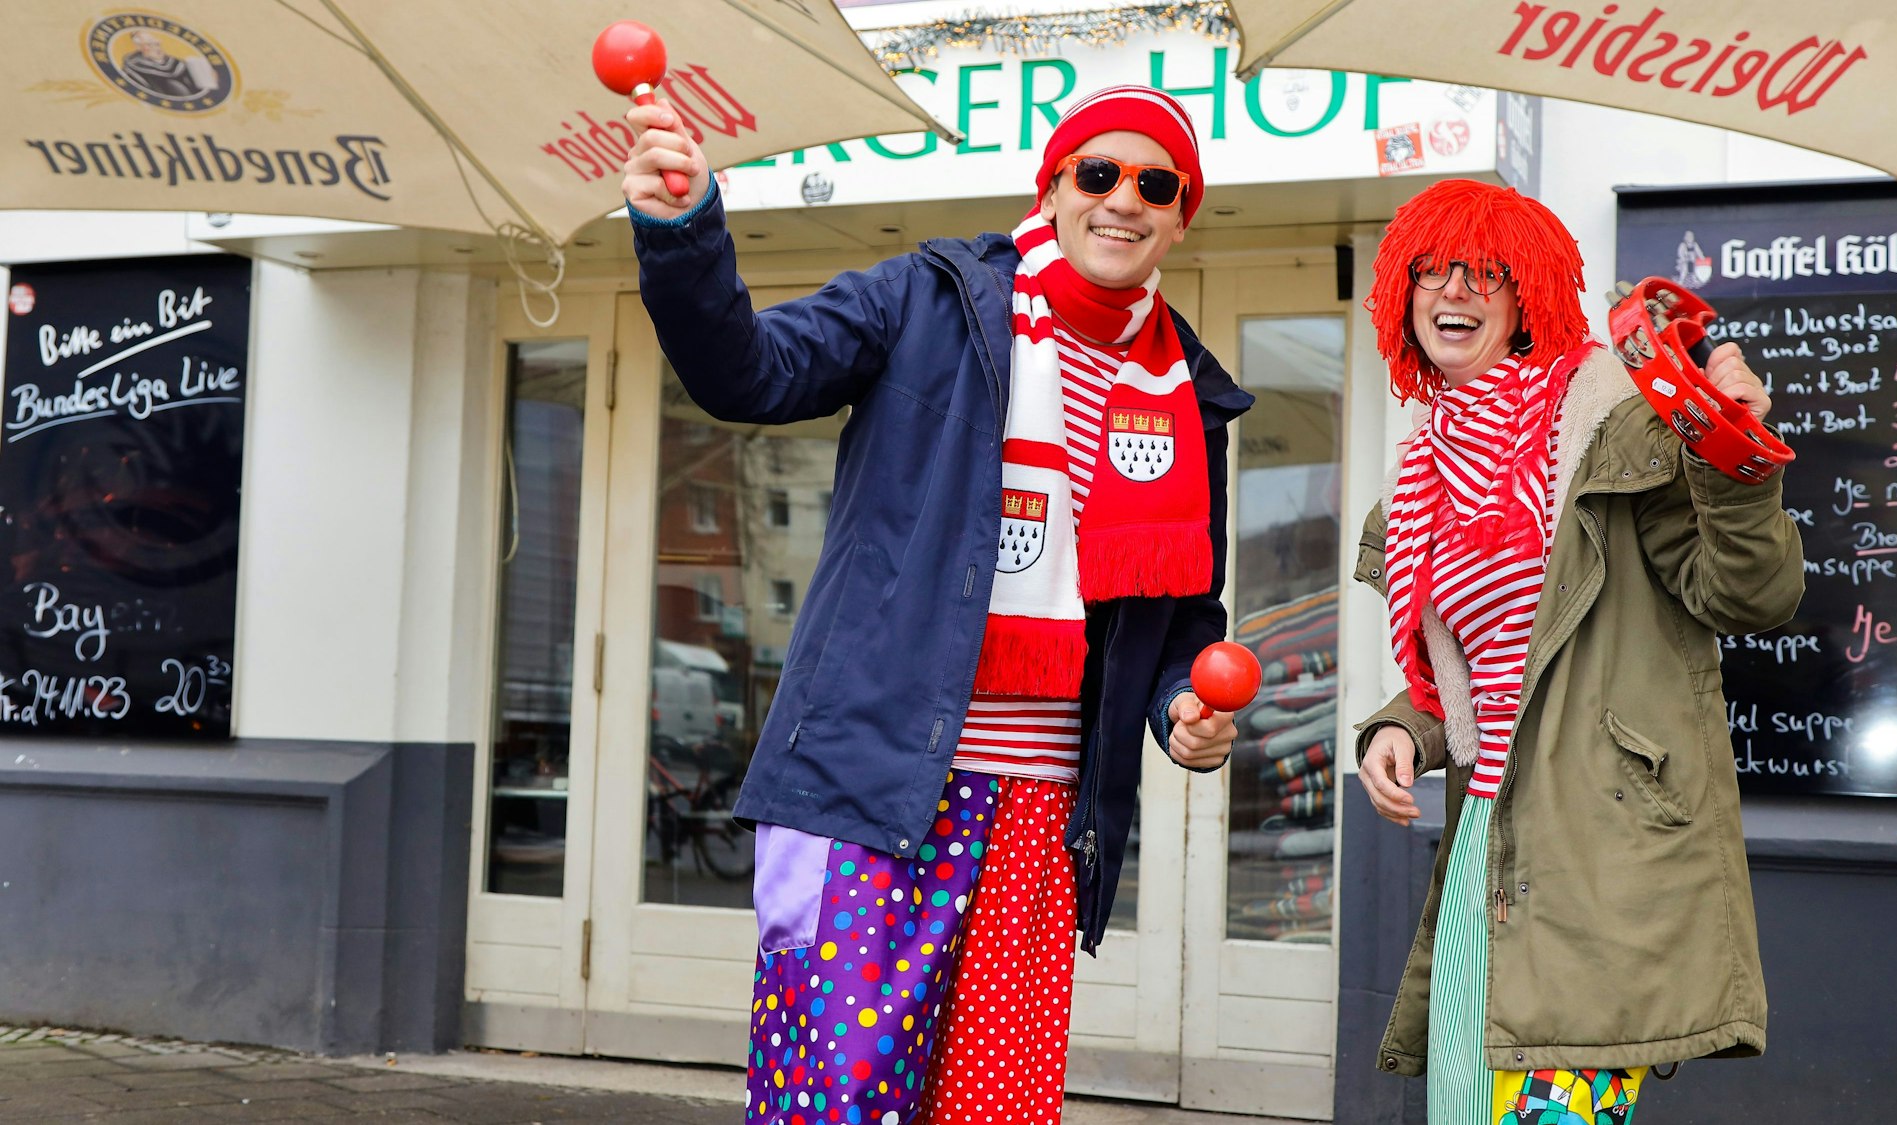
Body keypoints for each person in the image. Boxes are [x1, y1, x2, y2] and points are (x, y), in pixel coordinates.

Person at [620, 85, 1252, 1125]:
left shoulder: (1186, 388)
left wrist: (1184, 701)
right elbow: (750, 374)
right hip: (878, 790)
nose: (1122, 201)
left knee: (993, 1110)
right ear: (1049, 189)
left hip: (1040, 821)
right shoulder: (927, 300)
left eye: (1155, 183)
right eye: (1097, 174)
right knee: (839, 1101)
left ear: (1182, 213)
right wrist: (682, 233)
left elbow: (1180, 612)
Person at [1349, 179, 1803, 1124]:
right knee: (1468, 1110)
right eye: (1430, 270)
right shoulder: (1423, 470)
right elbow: (1479, 678)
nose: (1452, 290)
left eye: (1485, 271)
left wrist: (1737, 456)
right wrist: (1405, 728)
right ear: (1403, 296)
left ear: (1529, 296)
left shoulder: (1624, 428)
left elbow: (1748, 596)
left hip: (1600, 844)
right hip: (1485, 840)